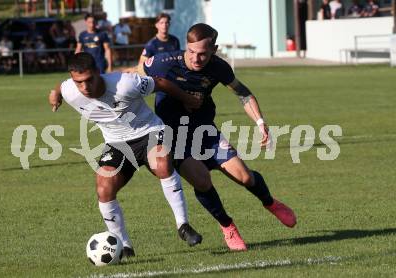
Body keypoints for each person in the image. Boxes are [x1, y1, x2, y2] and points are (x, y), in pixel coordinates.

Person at [139, 23, 297, 251]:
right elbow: (134, 80)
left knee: (244, 177)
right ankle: (228, 226)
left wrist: (261, 123)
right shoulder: (163, 63)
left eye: (203, 53)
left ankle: (270, 203)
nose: (196, 58)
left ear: (214, 49)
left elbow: (243, 93)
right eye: (191, 52)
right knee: (202, 181)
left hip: (205, 132)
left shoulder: (218, 67)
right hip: (174, 138)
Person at [48, 52, 203, 256]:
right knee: (104, 188)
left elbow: (160, 82)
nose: (84, 87)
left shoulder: (125, 84)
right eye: (79, 82)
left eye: (88, 80)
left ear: (98, 72)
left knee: (161, 164)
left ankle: (183, 226)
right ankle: (124, 246)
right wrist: (55, 93)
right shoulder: (71, 90)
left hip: (149, 131)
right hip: (116, 143)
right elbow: (63, 85)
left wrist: (187, 99)